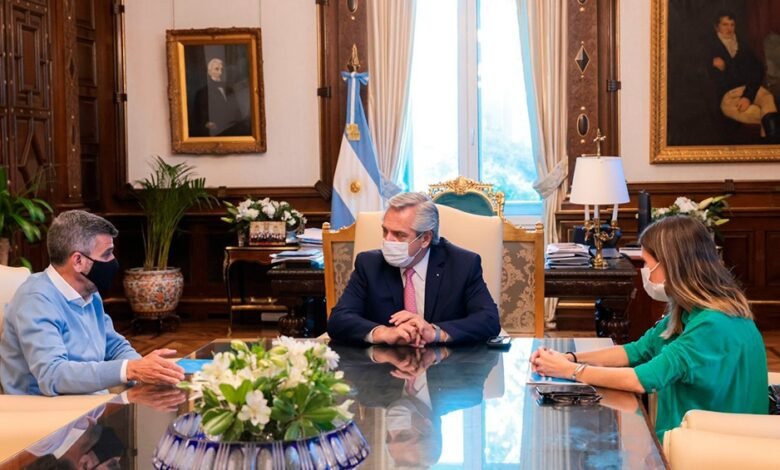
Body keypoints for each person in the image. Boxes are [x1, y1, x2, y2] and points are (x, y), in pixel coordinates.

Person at [530, 216, 768, 441]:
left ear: (672, 265)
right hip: (699, 437)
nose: (644, 271)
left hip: (709, 446)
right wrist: (569, 358)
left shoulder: (712, 324)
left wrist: (571, 370)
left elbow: (642, 380)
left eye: (647, 263)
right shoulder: (692, 311)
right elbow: (636, 351)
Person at [0, 210, 185, 395]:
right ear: (78, 261)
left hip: (90, 402)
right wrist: (129, 370)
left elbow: (114, 346)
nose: (113, 261)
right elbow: (53, 375)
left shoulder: (89, 291)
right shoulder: (35, 300)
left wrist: (144, 370)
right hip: (46, 408)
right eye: (107, 254)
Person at [327, 192, 500, 346]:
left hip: (445, 365)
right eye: (385, 231)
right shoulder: (369, 264)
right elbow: (339, 320)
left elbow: (489, 320)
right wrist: (384, 333)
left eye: (399, 234)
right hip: (384, 365)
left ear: (425, 238)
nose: (388, 240)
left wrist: (435, 332)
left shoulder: (462, 264)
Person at [332, 343, 500, 468]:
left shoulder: (371, 394)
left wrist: (381, 353)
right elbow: (490, 349)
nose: (391, 429)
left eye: (388, 437)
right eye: (403, 435)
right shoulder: (465, 391)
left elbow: (338, 354)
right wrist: (439, 351)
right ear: (427, 427)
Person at [709, 10, 780, 141]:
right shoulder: (709, 48)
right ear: (716, 27)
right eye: (725, 24)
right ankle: (772, 146)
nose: (729, 28)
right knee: (763, 114)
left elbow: (758, 69)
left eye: (732, 25)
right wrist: (720, 68)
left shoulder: (743, 45)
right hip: (729, 96)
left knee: (767, 98)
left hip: (749, 88)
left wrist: (748, 96)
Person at [189, 57, 249, 137]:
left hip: (232, 130)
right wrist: (207, 124)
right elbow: (199, 116)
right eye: (216, 69)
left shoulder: (230, 89)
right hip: (215, 132)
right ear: (209, 72)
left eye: (222, 69)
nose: (220, 72)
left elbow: (236, 110)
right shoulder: (202, 92)